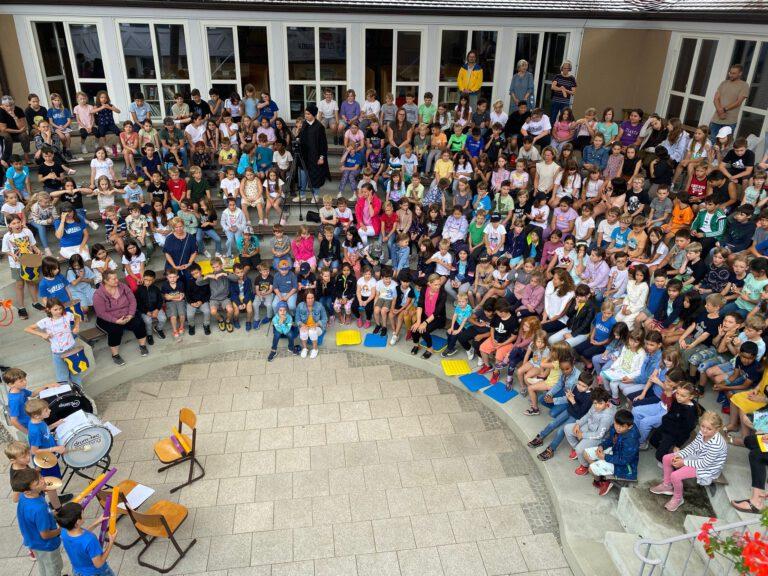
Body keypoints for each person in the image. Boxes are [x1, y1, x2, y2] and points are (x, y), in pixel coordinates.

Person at [651, 412, 728, 512]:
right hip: (697, 457)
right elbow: (692, 447)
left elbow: (704, 463)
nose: (704, 430)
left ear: (717, 429)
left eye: (709, 429)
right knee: (666, 458)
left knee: (675, 475)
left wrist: (683, 462)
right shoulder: (702, 433)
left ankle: (678, 498)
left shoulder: (717, 444)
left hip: (708, 467)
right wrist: (680, 455)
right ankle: (667, 485)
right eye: (702, 426)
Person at [13, 467, 63, 576]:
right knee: (54, 569)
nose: (43, 481)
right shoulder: (39, 508)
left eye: (40, 477)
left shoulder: (24, 496)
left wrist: (52, 513)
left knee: (43, 565)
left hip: (33, 542)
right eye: (37, 483)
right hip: (47, 545)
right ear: (27, 491)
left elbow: (31, 517)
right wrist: (60, 529)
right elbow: (45, 534)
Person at [92, 270, 149, 365]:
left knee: (138, 322)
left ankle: (142, 346)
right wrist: (116, 320)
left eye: (116, 278)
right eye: (113, 279)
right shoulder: (98, 294)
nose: (117, 280)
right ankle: (115, 355)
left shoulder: (123, 286)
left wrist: (130, 315)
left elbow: (132, 301)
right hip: (108, 318)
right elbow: (101, 313)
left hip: (126, 314)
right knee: (115, 330)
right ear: (106, 281)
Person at [582, 409, 640, 496]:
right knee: (586, 453)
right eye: (616, 424)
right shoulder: (616, 426)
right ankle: (603, 478)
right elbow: (610, 440)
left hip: (625, 466)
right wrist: (601, 446)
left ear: (630, 426)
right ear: (614, 421)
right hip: (614, 451)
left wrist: (605, 457)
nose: (618, 427)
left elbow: (624, 460)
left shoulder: (631, 440)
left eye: (622, 426)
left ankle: (603, 480)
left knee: (591, 468)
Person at [55, 501, 118, 576]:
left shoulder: (64, 531)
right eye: (82, 513)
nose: (84, 514)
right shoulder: (90, 540)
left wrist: (97, 522)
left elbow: (80, 536)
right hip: (96, 573)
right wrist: (111, 542)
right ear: (77, 522)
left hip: (78, 571)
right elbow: (99, 563)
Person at [297, 103, 330, 202]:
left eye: (308, 114)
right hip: (305, 155)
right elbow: (301, 137)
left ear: (313, 115)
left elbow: (323, 144)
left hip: (315, 156)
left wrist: (321, 157)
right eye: (305, 114)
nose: (306, 116)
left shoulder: (319, 127)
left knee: (315, 176)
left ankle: (316, 195)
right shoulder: (304, 124)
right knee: (302, 175)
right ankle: (302, 195)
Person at [709, 64, 749, 143]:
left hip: (730, 121)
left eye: (734, 73)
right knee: (712, 141)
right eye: (730, 73)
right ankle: (707, 156)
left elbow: (738, 102)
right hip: (716, 119)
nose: (731, 75)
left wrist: (723, 109)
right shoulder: (723, 83)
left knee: (724, 144)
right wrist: (720, 111)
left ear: (740, 73)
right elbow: (715, 99)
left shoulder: (744, 85)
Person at [296, 290, 328, 359]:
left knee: (312, 331)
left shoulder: (319, 305)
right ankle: (305, 348)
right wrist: (302, 325)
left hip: (317, 327)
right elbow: (297, 319)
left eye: (312, 298)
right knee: (303, 331)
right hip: (306, 326)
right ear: (305, 298)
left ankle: (315, 349)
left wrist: (316, 324)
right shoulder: (300, 306)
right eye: (308, 298)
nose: (310, 300)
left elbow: (325, 319)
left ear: (314, 298)